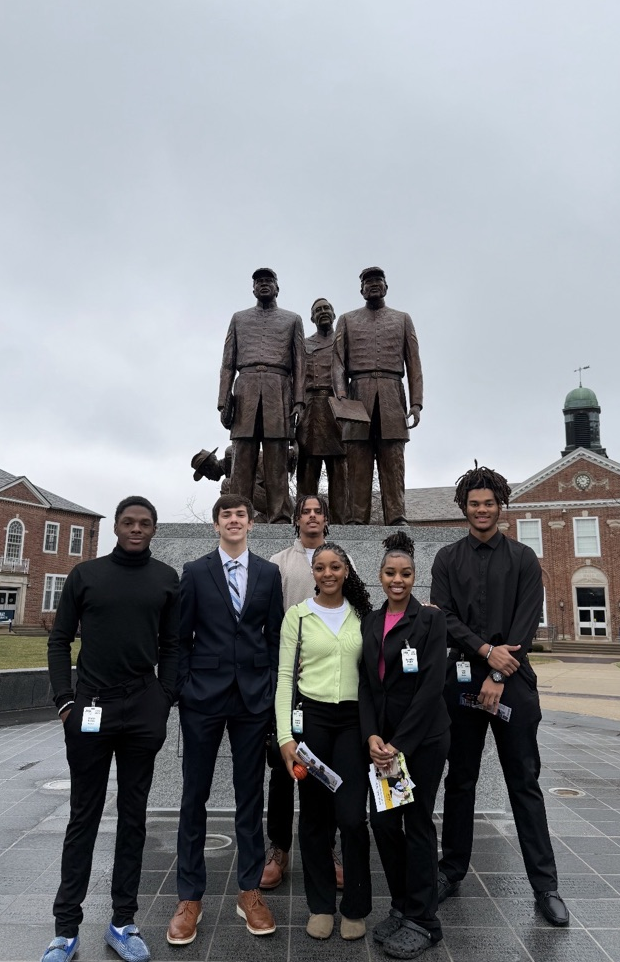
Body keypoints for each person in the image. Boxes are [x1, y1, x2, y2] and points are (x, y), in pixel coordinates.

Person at [430, 465, 570, 927]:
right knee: (461, 781)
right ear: (464, 508)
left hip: (514, 681)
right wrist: (486, 652)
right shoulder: (447, 559)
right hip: (464, 682)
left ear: (500, 506)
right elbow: (443, 617)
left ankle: (545, 886)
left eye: (489, 503)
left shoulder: (525, 559)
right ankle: (450, 872)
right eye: (474, 504)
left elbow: (527, 622)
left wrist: (500, 671)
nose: (482, 510)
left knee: (524, 784)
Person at [42, 497, 180, 962]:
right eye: (128, 522)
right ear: (117, 526)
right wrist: (65, 702)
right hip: (91, 710)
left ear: (154, 530)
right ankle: (65, 929)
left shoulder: (165, 579)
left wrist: (164, 699)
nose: (136, 528)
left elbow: (175, 644)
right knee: (83, 816)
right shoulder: (86, 575)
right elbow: (59, 640)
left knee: (134, 817)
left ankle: (123, 921)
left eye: (144, 523)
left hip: (143, 710)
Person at [167, 495, 283, 945]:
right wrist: (182, 687)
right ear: (216, 525)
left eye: (240, 516)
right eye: (226, 516)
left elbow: (273, 635)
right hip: (203, 698)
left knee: (249, 797)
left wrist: (272, 686)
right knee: (193, 796)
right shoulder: (196, 572)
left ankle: (249, 892)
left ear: (251, 524)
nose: (233, 521)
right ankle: (189, 897)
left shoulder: (269, 573)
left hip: (253, 699)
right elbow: (180, 637)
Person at [275, 543, 373, 940]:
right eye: (320, 567)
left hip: (352, 723)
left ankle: (355, 906)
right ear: (312, 572)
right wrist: (285, 737)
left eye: (335, 566)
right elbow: (284, 679)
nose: (328, 573)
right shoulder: (297, 617)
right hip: (311, 721)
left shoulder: (363, 617)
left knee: (351, 817)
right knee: (314, 818)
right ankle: (320, 905)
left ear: (347, 570)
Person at [359, 533, 450, 958]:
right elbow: (368, 687)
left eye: (406, 574)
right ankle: (402, 905)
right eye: (391, 573)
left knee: (417, 826)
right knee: (382, 824)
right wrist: (373, 737)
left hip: (422, 741)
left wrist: (399, 744)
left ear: (415, 578)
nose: (399, 580)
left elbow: (431, 688)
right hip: (385, 747)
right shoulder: (372, 622)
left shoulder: (431, 621)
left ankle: (425, 921)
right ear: (380, 577)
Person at [262, 494, 342, 890]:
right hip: (288, 680)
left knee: (323, 770)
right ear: (296, 520)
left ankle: (327, 847)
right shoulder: (279, 563)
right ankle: (279, 848)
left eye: (318, 511)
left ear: (326, 520)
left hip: (326, 683)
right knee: (281, 767)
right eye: (305, 511)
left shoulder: (343, 560)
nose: (312, 516)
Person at [332, 266, 423, 526]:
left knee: (393, 460)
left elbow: (414, 363)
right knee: (358, 461)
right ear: (361, 289)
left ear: (386, 286)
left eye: (378, 281)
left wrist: (416, 403)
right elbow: (337, 361)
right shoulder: (347, 320)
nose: (373, 285)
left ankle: (396, 516)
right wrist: (340, 393)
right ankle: (356, 519)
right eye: (368, 282)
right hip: (356, 393)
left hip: (392, 393)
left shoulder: (403, 318)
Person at [217, 266, 305, 523]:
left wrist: (299, 401)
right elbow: (227, 363)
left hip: (279, 387)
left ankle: (280, 516)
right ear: (253, 288)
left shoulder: (293, 319)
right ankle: (237, 512)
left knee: (277, 455)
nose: (263, 284)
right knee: (242, 455)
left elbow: (301, 364)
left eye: (269, 280)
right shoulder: (239, 318)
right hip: (245, 388)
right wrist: (223, 401)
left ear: (277, 287)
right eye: (258, 282)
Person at [296, 298, 348, 523]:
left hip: (336, 407)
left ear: (334, 314)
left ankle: (342, 521)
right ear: (311, 318)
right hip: (310, 409)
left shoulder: (344, 341)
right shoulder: (303, 344)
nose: (323, 312)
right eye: (318, 310)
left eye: (326, 308)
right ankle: (304, 519)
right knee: (307, 469)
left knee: (339, 469)